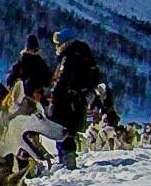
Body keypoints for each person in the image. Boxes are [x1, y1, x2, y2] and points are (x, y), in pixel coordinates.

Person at [48, 34, 104, 168]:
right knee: (71, 130)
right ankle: (68, 157)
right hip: (81, 99)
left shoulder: (69, 57)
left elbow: (63, 79)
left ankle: (66, 160)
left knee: (62, 128)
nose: (57, 47)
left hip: (66, 99)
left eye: (58, 43)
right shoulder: (86, 55)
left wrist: (53, 95)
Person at [6, 34, 53, 106]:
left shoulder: (40, 62)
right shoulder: (21, 63)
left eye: (36, 49)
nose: (35, 52)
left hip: (37, 99)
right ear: (27, 49)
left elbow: (47, 80)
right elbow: (10, 82)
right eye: (33, 49)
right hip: (23, 100)